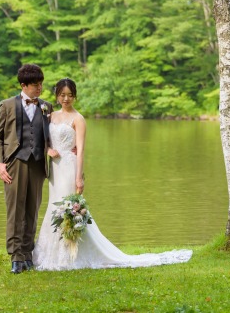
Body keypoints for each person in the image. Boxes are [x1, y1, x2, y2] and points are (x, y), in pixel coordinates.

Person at [33, 78, 192, 270]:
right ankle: (52, 253)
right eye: (62, 94)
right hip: (55, 170)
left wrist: (78, 177)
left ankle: (73, 253)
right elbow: (44, 139)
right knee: (54, 207)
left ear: (74, 96)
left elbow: (81, 150)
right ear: (57, 95)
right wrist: (49, 149)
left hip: (69, 167)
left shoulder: (78, 119)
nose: (66, 98)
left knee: (69, 208)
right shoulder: (50, 116)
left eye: (69, 95)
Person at [0, 63, 53, 274]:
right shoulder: (7, 105)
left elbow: (49, 136)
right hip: (14, 164)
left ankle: (28, 254)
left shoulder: (46, 106)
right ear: (23, 85)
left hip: (37, 164)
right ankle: (16, 257)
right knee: (15, 211)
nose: (40, 88)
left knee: (32, 211)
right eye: (36, 85)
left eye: (41, 84)